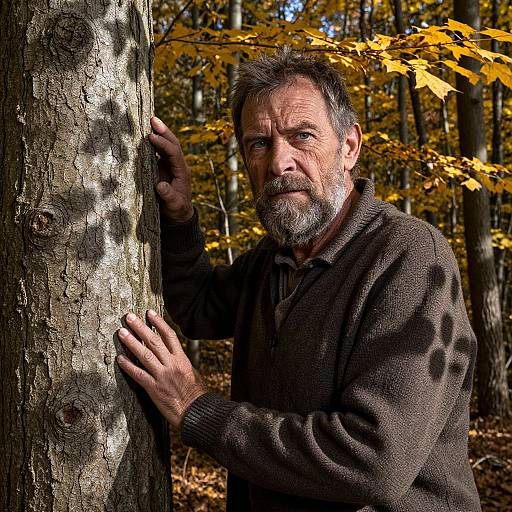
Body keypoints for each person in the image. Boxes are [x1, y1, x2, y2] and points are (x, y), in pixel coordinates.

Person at [116, 48, 481, 511]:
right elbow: (200, 306)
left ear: (349, 146)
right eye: (258, 143)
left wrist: (196, 409)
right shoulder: (275, 260)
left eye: (302, 136)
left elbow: (373, 461)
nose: (278, 163)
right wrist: (181, 216)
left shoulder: (408, 258)